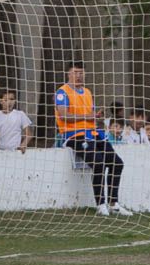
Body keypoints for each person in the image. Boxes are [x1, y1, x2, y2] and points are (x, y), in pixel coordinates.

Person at [56, 61, 130, 216]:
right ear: (68, 74)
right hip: (74, 135)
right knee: (98, 162)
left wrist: (96, 116)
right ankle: (101, 204)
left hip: (93, 133)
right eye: (75, 72)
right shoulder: (62, 92)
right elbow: (64, 115)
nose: (79, 75)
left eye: (81, 72)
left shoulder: (88, 92)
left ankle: (113, 203)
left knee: (117, 163)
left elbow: (92, 115)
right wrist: (88, 116)